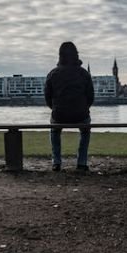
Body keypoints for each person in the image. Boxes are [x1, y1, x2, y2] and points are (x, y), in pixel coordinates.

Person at [44, 41, 95, 172]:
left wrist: (55, 108)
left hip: (59, 115)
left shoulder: (52, 74)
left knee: (55, 130)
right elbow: (90, 97)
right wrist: (83, 108)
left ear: (60, 56)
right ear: (76, 55)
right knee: (85, 131)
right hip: (81, 115)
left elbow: (47, 98)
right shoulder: (84, 73)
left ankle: (56, 162)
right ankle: (82, 162)